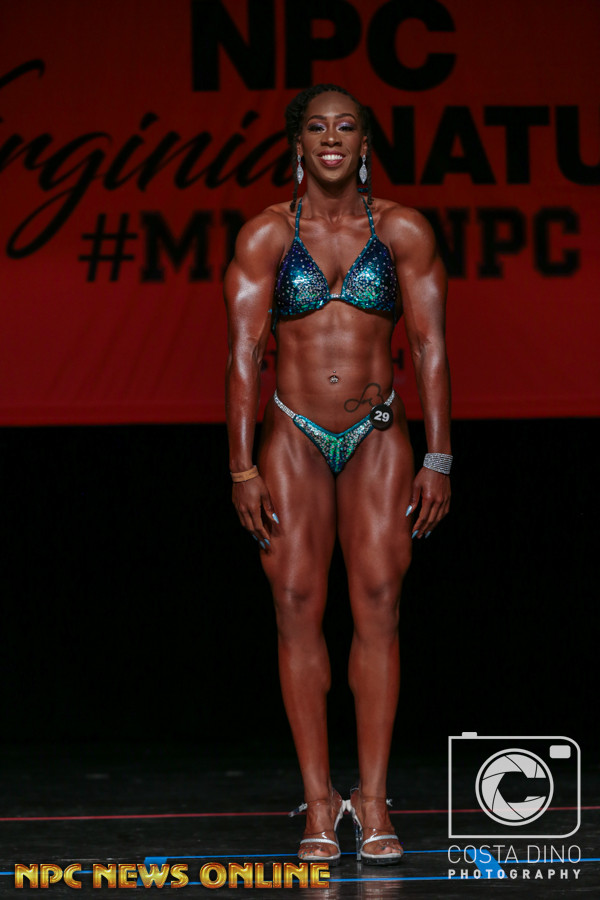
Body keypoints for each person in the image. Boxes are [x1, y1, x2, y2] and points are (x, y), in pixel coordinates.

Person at [224, 84, 451, 866]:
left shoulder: (403, 230)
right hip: (292, 434)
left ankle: (374, 798)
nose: (331, 137)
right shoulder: (264, 235)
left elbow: (431, 348)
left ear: (364, 145)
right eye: (317, 127)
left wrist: (440, 455)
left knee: (379, 602)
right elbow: (242, 357)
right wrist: (241, 466)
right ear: (298, 144)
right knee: (296, 603)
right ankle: (320, 802)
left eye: (346, 126)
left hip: (377, 432)